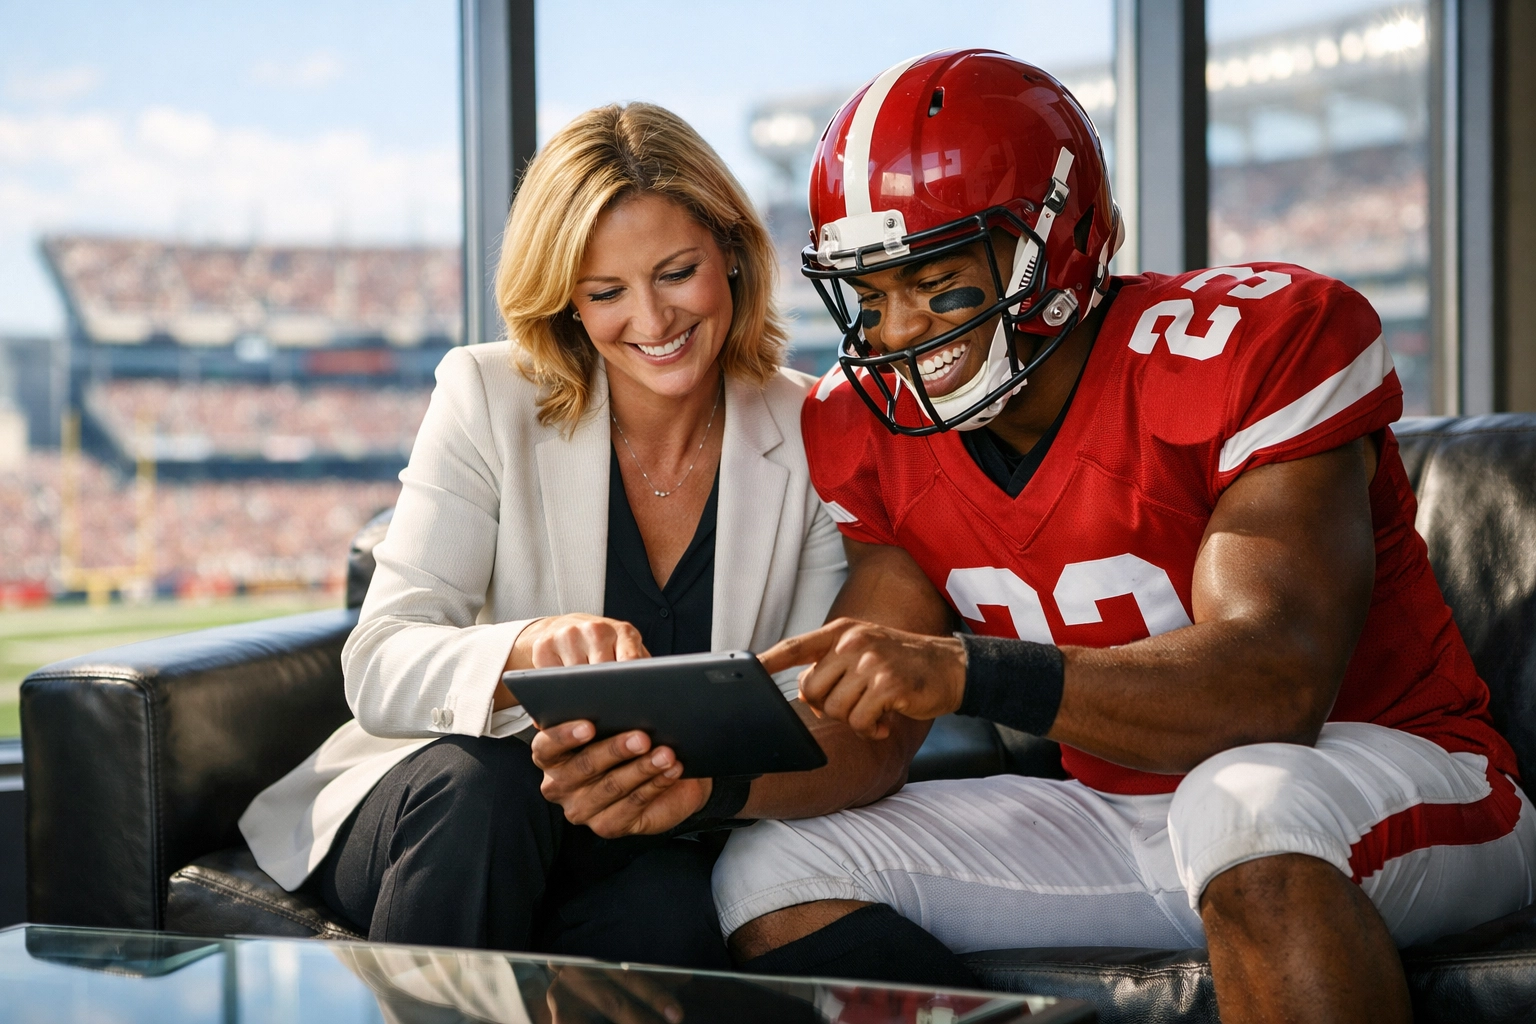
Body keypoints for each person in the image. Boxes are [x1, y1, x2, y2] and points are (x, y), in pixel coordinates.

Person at [702, 50, 1536, 1022]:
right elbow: (869, 735)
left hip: (1391, 772)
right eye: (873, 295)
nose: (894, 333)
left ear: (1056, 245)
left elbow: (1272, 686)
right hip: (1121, 812)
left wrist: (972, 670)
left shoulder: (1254, 346)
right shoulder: (866, 426)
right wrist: (699, 777)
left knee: (1240, 802)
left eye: (936, 283)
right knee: (771, 869)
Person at [237, 102, 846, 968]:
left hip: (652, 827)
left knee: (671, 909)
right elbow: (379, 662)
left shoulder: (813, 427)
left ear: (734, 255)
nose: (652, 320)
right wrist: (526, 646)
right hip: (452, 808)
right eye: (606, 293)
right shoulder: (485, 395)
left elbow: (808, 707)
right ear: (567, 299)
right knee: (485, 793)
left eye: (677, 273)